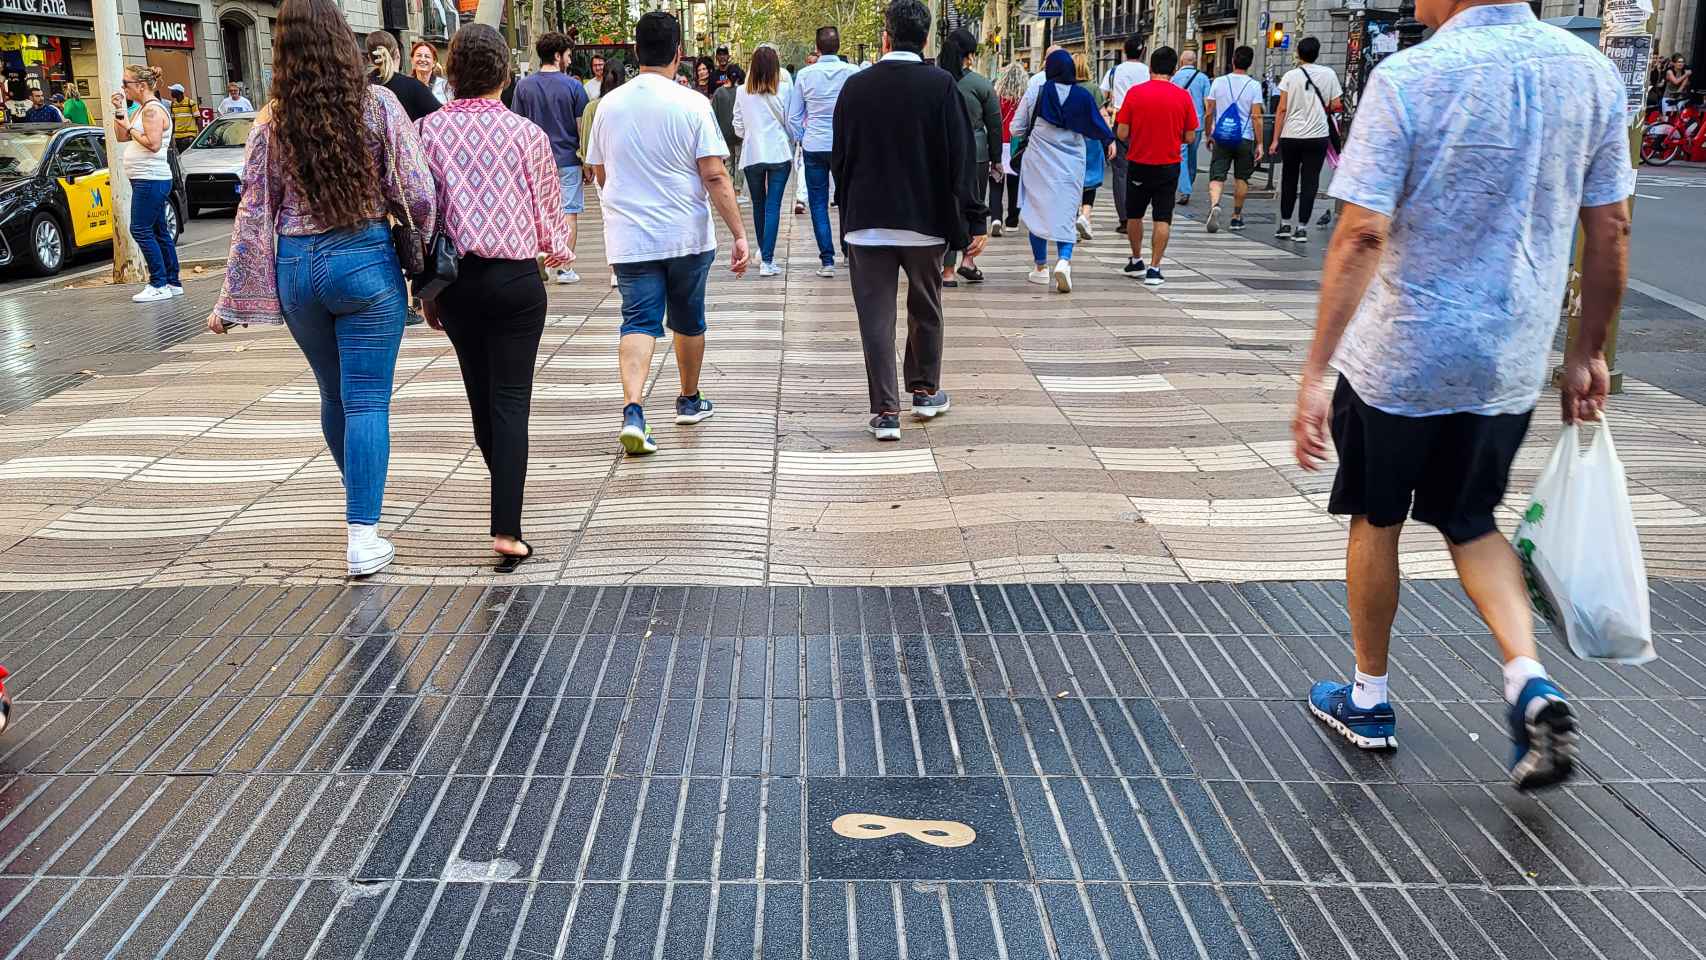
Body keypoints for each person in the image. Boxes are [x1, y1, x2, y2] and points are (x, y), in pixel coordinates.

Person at [1292, 0, 1634, 791]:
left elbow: (1361, 233)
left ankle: (1370, 699)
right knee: (1472, 520)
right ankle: (1528, 680)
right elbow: (1610, 226)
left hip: (1400, 357)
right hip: (1506, 360)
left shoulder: (1410, 77)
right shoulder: (1590, 75)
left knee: (1378, 514)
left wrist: (1316, 371)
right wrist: (1587, 352)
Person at [209, 0, 436, 579]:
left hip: (296, 269)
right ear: (343, 41)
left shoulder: (271, 121)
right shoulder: (378, 104)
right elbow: (418, 191)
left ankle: (361, 501)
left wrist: (230, 299)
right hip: (363, 262)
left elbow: (255, 210)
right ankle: (363, 534)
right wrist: (421, 251)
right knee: (368, 402)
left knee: (334, 397)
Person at [417, 24, 572, 574]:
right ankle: (507, 526)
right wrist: (554, 251)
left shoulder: (426, 132)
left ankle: (503, 497)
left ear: (450, 73)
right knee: (511, 401)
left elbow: (420, 213)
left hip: (456, 282)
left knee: (481, 398)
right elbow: (550, 217)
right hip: (515, 282)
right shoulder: (526, 135)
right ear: (505, 73)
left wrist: (426, 288)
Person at [585, 9, 749, 457]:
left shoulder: (608, 105)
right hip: (685, 236)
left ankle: (634, 409)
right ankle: (689, 400)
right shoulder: (693, 103)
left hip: (630, 237)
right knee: (688, 318)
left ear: (635, 51)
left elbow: (598, 171)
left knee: (638, 319)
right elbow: (715, 175)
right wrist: (738, 232)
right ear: (679, 52)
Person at [834, 0, 986, 441]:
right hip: (926, 221)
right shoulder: (941, 87)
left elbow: (839, 160)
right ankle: (924, 390)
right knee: (926, 306)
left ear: (885, 36)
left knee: (875, 318)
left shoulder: (855, 88)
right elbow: (962, 159)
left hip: (866, 223)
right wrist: (975, 218)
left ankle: (884, 413)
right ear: (926, 40)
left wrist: (847, 212)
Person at [1013, 49, 1113, 293]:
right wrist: (1109, 141)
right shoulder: (1082, 97)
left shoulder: (1037, 92)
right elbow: (1098, 126)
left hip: (1038, 161)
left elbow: (1017, 127)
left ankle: (1040, 268)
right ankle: (1064, 261)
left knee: (1036, 212)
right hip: (1071, 163)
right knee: (1067, 212)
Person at [512, 31, 589, 285]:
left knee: (537, 211)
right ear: (557, 56)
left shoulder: (523, 86)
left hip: (534, 161)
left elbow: (517, 125)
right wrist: (586, 161)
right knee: (569, 211)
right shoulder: (574, 86)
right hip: (568, 159)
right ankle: (565, 268)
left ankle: (541, 255)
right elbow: (582, 128)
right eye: (567, 55)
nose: (569, 60)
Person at [1115, 46, 1196, 287]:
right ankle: (1155, 267)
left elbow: (1121, 132)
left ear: (1150, 67)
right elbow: (1191, 137)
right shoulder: (1183, 97)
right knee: (1163, 217)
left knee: (1135, 214)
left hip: (1139, 162)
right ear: (1174, 69)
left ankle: (1136, 259)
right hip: (1169, 164)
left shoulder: (1135, 94)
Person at [787, 26, 859, 277]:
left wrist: (803, 138)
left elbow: (794, 116)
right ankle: (849, 252)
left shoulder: (806, 75)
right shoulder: (853, 73)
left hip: (815, 145)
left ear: (817, 48)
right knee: (847, 199)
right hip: (845, 145)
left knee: (818, 203)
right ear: (839, 46)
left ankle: (827, 260)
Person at [112, 65, 181, 303]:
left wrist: (130, 127)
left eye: (126, 83)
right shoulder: (141, 109)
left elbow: (152, 144)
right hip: (146, 177)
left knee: (140, 229)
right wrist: (120, 111)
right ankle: (172, 281)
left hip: (151, 177)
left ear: (141, 86)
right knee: (159, 230)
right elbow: (121, 136)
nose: (123, 87)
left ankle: (159, 282)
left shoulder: (151, 111)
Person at [939, 27, 1000, 286]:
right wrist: (997, 159)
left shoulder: (938, 80)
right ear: (971, 55)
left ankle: (947, 269)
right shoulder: (981, 85)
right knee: (972, 205)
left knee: (948, 207)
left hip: (942, 152)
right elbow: (995, 125)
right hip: (976, 152)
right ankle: (969, 260)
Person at [1267, 38, 1342, 244]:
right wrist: (1320, 108)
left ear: (1298, 53)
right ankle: (1301, 228)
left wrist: (1275, 140)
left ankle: (1284, 224)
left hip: (1291, 135)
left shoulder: (1290, 76)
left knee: (1289, 179)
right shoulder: (1329, 75)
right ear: (1317, 53)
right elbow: (1336, 105)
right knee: (1310, 181)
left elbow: (1281, 109)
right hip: (1318, 135)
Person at [733, 45, 794, 276]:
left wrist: (750, 133)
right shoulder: (786, 90)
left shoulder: (741, 92)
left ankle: (763, 251)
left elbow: (737, 126)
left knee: (759, 204)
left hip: (752, 154)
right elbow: (790, 121)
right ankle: (767, 260)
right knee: (773, 206)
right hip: (778, 153)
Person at [1203, 45, 1263, 233]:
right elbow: (1256, 117)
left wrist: (1208, 133)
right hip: (1244, 138)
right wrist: (1260, 143)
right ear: (1250, 64)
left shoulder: (1219, 82)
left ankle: (1215, 205)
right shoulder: (1254, 86)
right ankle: (1236, 217)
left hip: (1222, 136)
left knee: (1217, 174)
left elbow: (1209, 112)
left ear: (1233, 61)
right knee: (1241, 177)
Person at [1100, 34, 1149, 233]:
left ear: (1124, 51)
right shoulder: (1148, 72)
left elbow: (1103, 96)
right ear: (1143, 51)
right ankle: (1138, 215)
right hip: (1144, 124)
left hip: (1120, 121)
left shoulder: (1114, 71)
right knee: (1142, 170)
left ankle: (1124, 219)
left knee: (1120, 173)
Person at [1072, 52, 1110, 241]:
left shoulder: (1067, 87)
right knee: (1091, 180)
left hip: (1070, 139)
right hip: (1091, 139)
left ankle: (1071, 223)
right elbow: (1103, 115)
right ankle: (1085, 216)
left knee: (1072, 180)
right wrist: (1108, 138)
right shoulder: (1093, 89)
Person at [367, 30, 442, 121]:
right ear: (397, 53)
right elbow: (442, 117)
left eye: (427, 56)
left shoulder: (360, 86)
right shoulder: (414, 87)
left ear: (370, 58)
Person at [990, 61, 1027, 234]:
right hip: (1016, 144)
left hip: (999, 141)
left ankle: (996, 218)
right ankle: (1012, 220)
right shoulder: (1024, 98)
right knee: (1015, 184)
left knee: (996, 182)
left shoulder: (996, 96)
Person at [1171, 49, 1210, 206]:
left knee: (1182, 157)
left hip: (1179, 123)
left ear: (1181, 62)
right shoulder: (1203, 78)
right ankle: (1188, 183)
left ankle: (1185, 189)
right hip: (1197, 124)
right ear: (1195, 61)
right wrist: (1209, 125)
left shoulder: (1174, 78)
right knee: (1192, 156)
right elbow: (1208, 103)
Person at [711, 66, 743, 200]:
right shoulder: (741, 91)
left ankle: (729, 186)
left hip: (724, 135)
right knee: (740, 162)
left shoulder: (719, 93)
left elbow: (714, 114)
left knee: (729, 162)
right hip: (739, 133)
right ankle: (738, 189)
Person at [166, 83, 200, 150]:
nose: (171, 93)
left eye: (173, 91)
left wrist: (198, 134)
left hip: (190, 135)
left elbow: (198, 118)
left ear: (178, 92)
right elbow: (173, 120)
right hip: (178, 136)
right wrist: (172, 134)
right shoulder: (173, 105)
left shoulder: (190, 103)